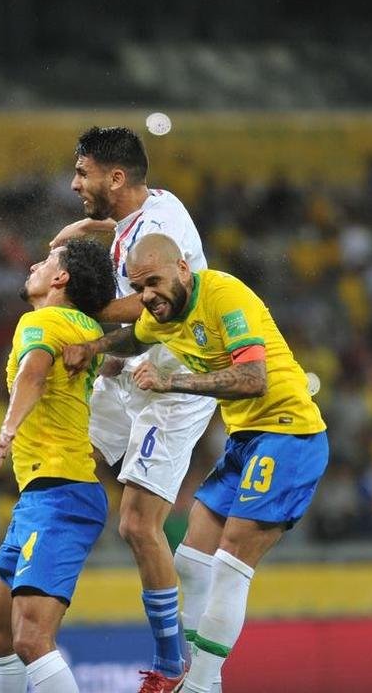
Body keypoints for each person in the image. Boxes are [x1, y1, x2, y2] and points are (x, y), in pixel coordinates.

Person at [0, 126, 214, 692]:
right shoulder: (149, 211)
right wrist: (77, 234)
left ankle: (170, 663)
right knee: (59, 440)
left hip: (172, 382)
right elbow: (119, 229)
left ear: (115, 176)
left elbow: (155, 303)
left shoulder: (156, 235)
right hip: (127, 373)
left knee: (137, 522)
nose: (73, 182)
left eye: (82, 173)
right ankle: (6, 592)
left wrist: (81, 309)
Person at [64, 234, 329, 693]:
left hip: (290, 433)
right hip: (246, 439)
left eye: (154, 282)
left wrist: (173, 381)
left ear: (183, 269)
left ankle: (201, 684)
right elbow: (135, 337)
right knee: (189, 559)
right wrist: (94, 348)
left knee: (229, 561)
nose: (147, 296)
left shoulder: (224, 296)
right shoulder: (164, 313)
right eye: (138, 287)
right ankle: (209, 680)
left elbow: (253, 379)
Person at [0, 238, 116, 693]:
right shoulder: (82, 326)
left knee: (31, 638)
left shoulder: (43, 321)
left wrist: (8, 428)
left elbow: (33, 372)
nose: (36, 264)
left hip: (61, 490)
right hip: (45, 493)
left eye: (48, 261)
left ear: (61, 279)